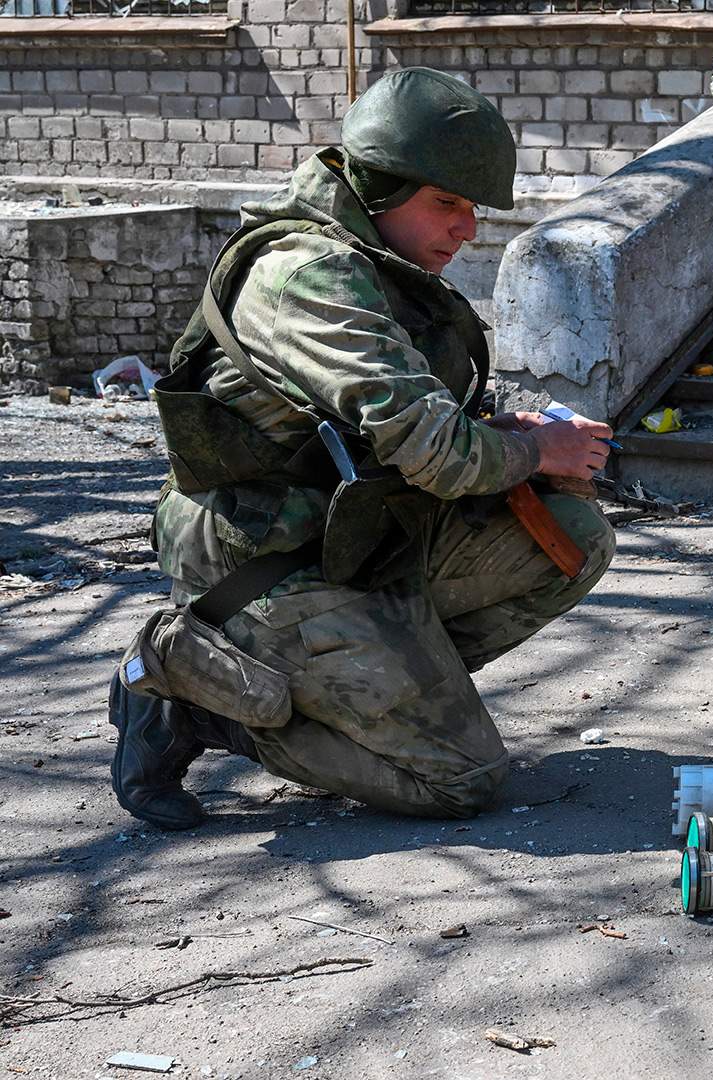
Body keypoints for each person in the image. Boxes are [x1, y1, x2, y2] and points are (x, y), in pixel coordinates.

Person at [108, 67, 615, 829]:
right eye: (446, 202)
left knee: (570, 541)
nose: (466, 227)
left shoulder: (375, 266)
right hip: (263, 560)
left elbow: (415, 426)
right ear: (377, 185)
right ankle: (191, 701)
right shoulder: (310, 275)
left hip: (352, 536)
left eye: (470, 206)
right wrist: (540, 451)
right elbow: (438, 455)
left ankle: (366, 696)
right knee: (460, 782)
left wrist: (506, 435)